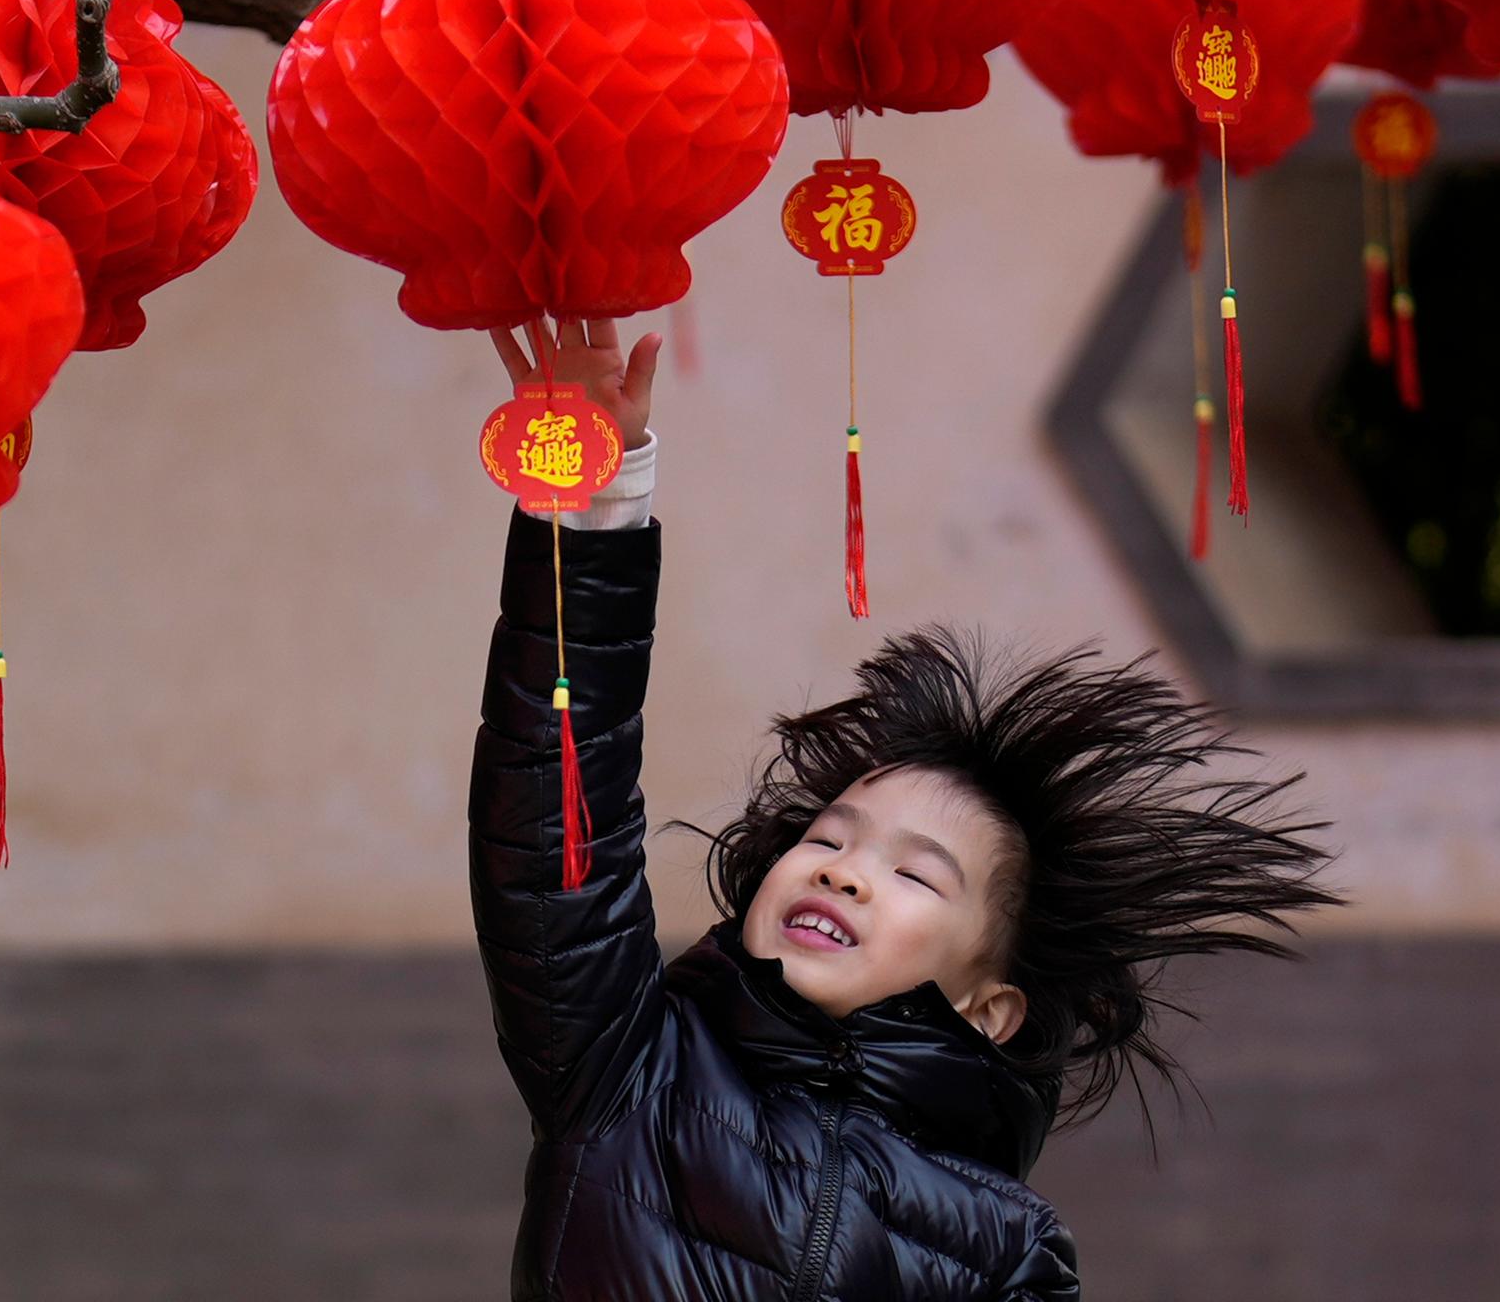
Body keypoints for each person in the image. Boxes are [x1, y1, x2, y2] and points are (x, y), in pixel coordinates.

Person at [471, 315, 1336, 1302]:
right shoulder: (629, 1065)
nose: (842, 868)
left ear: (991, 1006)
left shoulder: (1006, 1245)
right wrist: (590, 515)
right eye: (827, 838)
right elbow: (553, 835)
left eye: (914, 872)